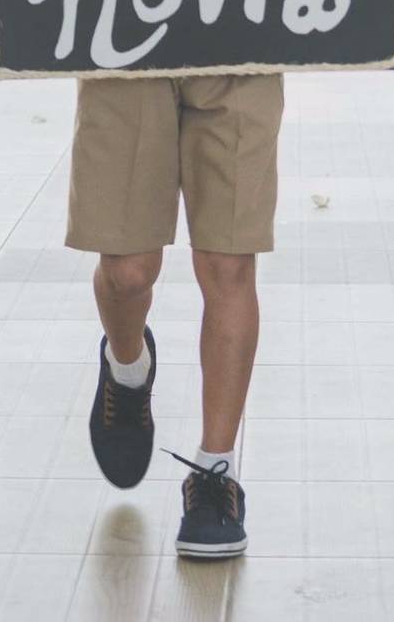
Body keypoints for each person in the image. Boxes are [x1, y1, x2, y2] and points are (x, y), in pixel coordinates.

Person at [68, 74, 283, 558]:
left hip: (241, 29)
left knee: (229, 261)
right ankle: (127, 370)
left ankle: (215, 471)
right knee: (128, 271)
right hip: (123, 35)